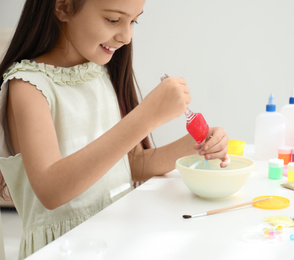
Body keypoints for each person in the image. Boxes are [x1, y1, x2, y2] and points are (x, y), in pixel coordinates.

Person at [0, 0, 230, 258]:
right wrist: (145, 117)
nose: (127, 36)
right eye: (113, 20)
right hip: (64, 249)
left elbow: (128, 164)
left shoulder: (101, 73)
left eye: (133, 21)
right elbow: (52, 191)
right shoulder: (29, 86)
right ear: (63, 7)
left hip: (118, 235)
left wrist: (196, 145)